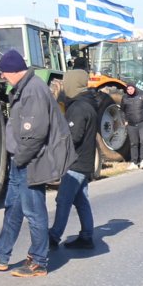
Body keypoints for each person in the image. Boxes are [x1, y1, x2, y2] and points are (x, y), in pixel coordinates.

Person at [0, 49, 71, 276]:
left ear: (13, 71)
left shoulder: (33, 90)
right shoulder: (25, 87)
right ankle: (1, 253)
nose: (3, 77)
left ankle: (38, 261)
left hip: (31, 160)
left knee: (34, 210)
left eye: (3, 73)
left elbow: (34, 133)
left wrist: (19, 158)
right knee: (13, 209)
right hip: (22, 159)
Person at [49, 69, 101, 251]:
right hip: (84, 161)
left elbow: (73, 137)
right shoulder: (87, 104)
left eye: (66, 82)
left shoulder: (79, 108)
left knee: (63, 199)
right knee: (81, 200)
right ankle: (87, 236)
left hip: (76, 162)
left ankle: (54, 236)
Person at [122, 80, 143, 168]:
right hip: (131, 124)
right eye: (128, 89)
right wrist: (125, 120)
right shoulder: (125, 98)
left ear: (134, 88)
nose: (130, 91)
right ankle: (134, 162)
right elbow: (122, 110)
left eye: (131, 89)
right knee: (133, 143)